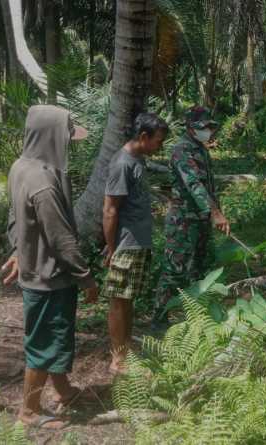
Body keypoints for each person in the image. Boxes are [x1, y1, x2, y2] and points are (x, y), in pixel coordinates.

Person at [1, 105, 98, 429]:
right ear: (50, 136)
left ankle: (63, 390)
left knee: (55, 336)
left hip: (37, 270)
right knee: (44, 342)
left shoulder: (21, 166)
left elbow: (15, 216)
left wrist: (18, 250)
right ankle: (29, 411)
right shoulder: (42, 181)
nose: (69, 144)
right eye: (66, 137)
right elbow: (60, 239)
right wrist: (86, 277)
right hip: (50, 276)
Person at [101, 113, 168, 373]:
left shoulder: (138, 159)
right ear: (143, 137)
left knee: (128, 299)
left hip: (137, 243)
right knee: (119, 300)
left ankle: (126, 351)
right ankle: (118, 360)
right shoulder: (122, 164)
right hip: (126, 244)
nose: (160, 146)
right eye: (158, 141)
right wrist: (112, 248)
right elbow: (110, 210)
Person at [155, 106, 230, 316]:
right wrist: (216, 213)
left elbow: (208, 187)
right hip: (183, 221)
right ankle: (159, 318)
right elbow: (194, 184)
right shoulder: (182, 150)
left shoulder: (201, 149)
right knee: (174, 271)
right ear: (190, 128)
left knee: (198, 270)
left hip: (201, 220)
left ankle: (196, 318)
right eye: (203, 127)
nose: (208, 131)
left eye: (209, 126)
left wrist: (214, 212)